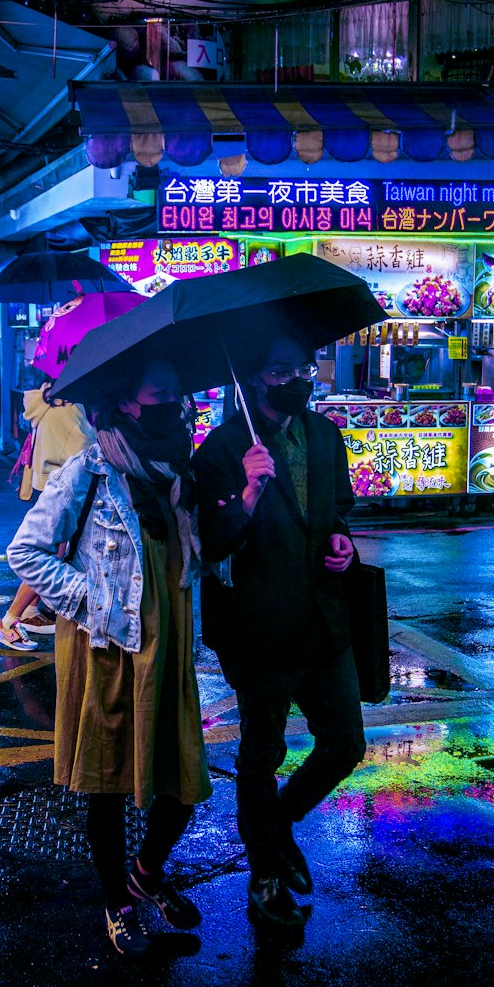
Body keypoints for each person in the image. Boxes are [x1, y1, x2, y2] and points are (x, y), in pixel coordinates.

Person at [8, 357, 211, 957]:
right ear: (125, 402)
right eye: (162, 390)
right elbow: (26, 553)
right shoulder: (89, 470)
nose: (174, 403)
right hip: (107, 646)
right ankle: (116, 903)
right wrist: (93, 600)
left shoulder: (180, 469)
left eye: (178, 392)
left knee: (180, 783)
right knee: (107, 787)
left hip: (169, 645)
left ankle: (145, 876)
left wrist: (248, 492)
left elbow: (196, 557)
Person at [193, 328, 366, 931]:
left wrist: (343, 544)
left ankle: (275, 829)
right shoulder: (221, 448)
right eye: (281, 370)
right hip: (259, 627)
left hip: (324, 619)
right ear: (251, 378)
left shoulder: (325, 435)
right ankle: (264, 877)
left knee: (345, 745)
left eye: (304, 366)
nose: (298, 378)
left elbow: (335, 514)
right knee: (261, 756)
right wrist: (246, 494)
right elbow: (210, 545)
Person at [0, 374, 95, 651]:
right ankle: (9, 621)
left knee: (51, 554)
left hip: (47, 483)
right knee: (50, 556)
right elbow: (87, 447)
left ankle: (29, 611)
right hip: (62, 488)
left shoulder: (44, 401)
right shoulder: (69, 408)